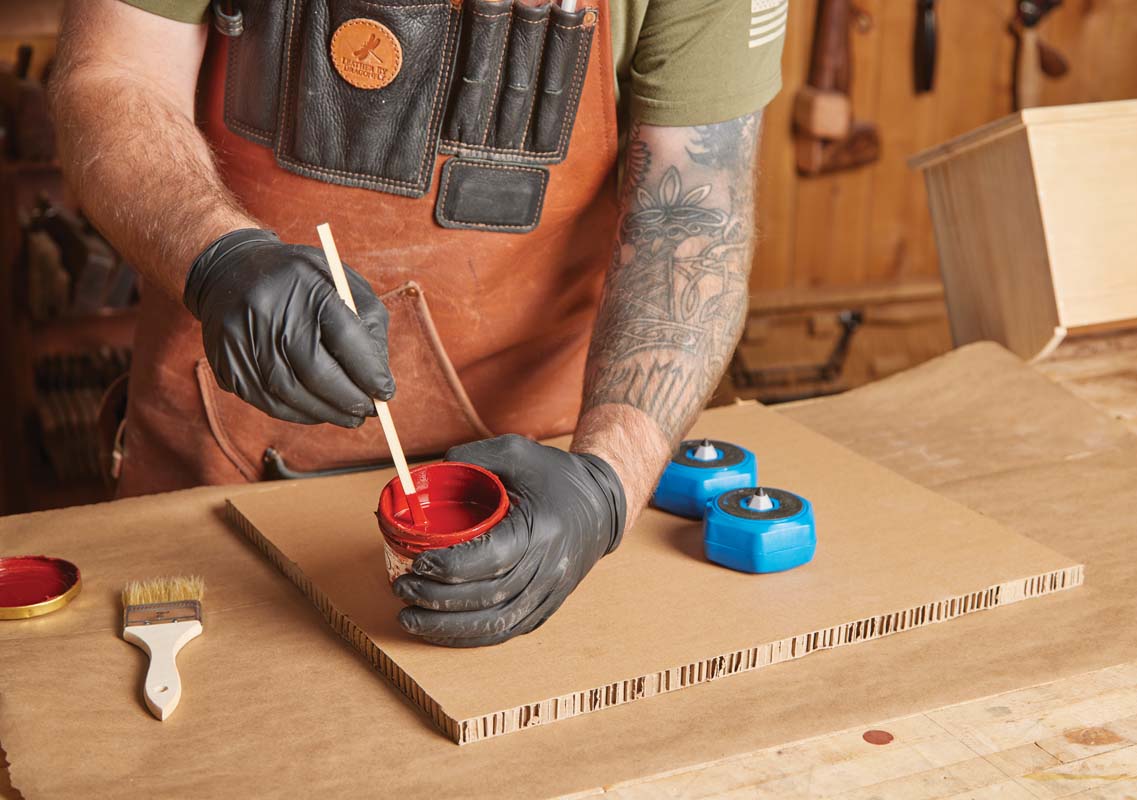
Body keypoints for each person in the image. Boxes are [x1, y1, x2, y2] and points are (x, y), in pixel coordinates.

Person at [50, 0, 786, 645]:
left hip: (541, 487)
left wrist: (605, 485)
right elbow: (114, 76)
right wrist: (218, 257)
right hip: (217, 460)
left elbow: (694, 213)